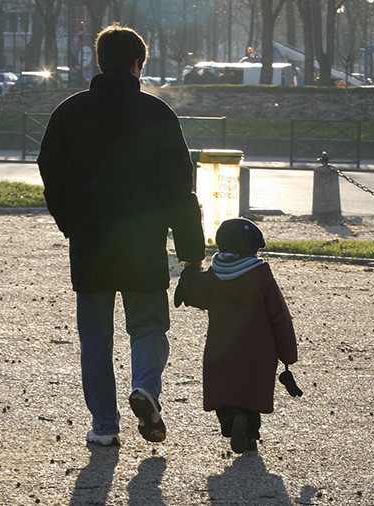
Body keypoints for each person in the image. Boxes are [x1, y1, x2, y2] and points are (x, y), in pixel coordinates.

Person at [37, 24, 205, 447]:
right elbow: (179, 189)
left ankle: (105, 426)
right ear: (137, 65)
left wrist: (68, 220)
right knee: (148, 328)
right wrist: (191, 252)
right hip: (143, 244)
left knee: (95, 339)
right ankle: (145, 386)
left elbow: (50, 171)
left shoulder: (69, 112)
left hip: (90, 244)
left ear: (99, 62)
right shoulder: (158, 114)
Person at [175, 218, 300, 454]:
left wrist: (191, 269)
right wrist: (288, 355)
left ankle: (232, 421)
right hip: (259, 352)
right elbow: (280, 318)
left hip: (221, 350)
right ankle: (250, 431)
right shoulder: (263, 280)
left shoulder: (214, 278)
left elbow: (192, 291)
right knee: (252, 393)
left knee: (226, 393)